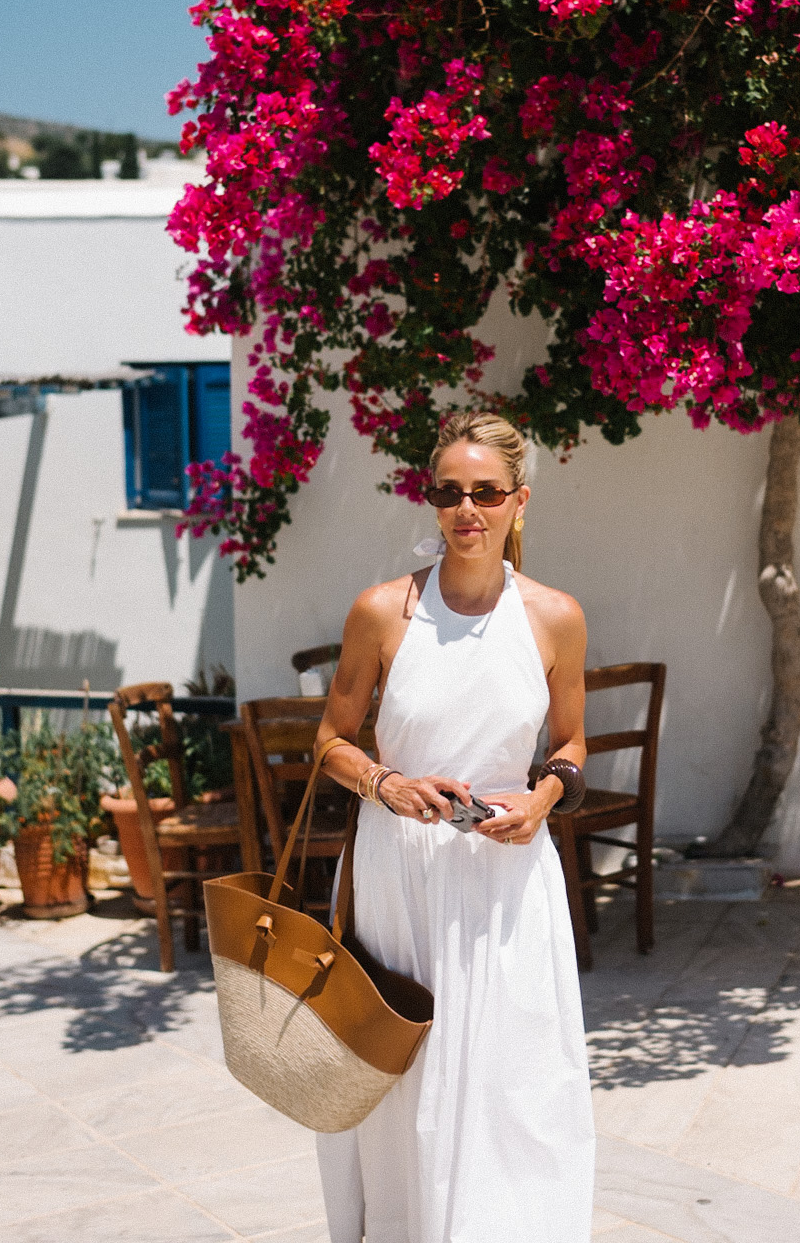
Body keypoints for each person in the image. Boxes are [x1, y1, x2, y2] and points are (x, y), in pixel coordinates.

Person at [312, 410, 595, 1242]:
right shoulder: (381, 612)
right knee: (405, 1069)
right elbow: (329, 742)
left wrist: (544, 799)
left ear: (519, 501)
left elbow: (571, 743)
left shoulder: (555, 616)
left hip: (508, 878)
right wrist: (388, 784)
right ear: (431, 500)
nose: (466, 509)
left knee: (517, 1074)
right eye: (448, 492)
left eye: (486, 492)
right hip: (399, 873)